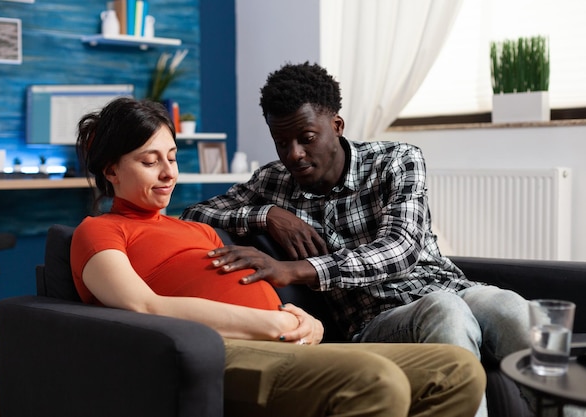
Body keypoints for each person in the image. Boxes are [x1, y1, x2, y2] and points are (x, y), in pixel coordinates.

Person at [70, 97, 485, 417]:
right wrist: (272, 322)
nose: (169, 174)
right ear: (111, 171)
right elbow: (144, 305)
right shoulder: (99, 230)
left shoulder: (192, 227)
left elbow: (240, 278)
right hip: (219, 350)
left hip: (288, 339)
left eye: (173, 158)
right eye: (149, 161)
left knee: (456, 370)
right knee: (377, 382)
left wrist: (306, 320)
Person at [179, 62, 535, 417]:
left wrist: (297, 270)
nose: (293, 155)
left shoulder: (397, 160)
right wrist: (266, 215)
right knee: (445, 310)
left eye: (306, 138)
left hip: (446, 286)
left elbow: (401, 249)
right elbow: (193, 214)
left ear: (336, 126)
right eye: (281, 142)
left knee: (511, 307)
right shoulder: (272, 182)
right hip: (373, 320)